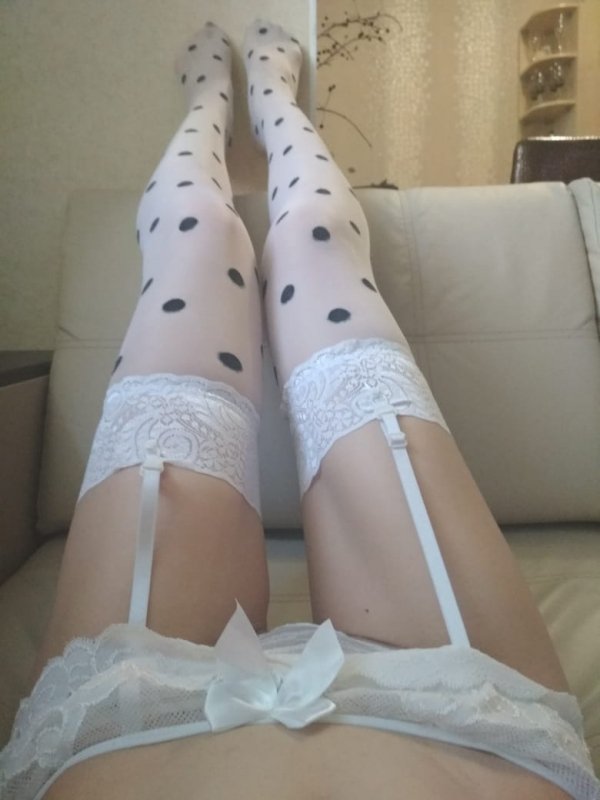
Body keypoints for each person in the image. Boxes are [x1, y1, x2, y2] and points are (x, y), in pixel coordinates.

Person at [1, 19, 598, 800]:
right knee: (313, 239)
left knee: (199, 238)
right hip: (478, 724)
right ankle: (271, 103)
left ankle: (216, 104)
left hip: (122, 724)